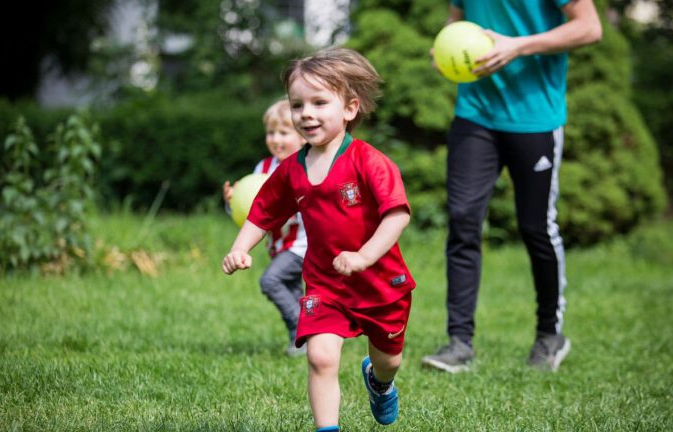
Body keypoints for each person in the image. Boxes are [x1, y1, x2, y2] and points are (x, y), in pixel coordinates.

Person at [222, 47, 416, 431]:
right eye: (298, 105)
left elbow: (397, 215)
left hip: (381, 284)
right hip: (326, 283)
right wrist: (240, 248)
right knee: (321, 358)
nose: (306, 113)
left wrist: (363, 257)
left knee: (388, 360)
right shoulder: (291, 170)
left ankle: (380, 382)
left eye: (319, 102)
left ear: (350, 108)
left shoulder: (369, 161)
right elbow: (262, 211)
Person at [421, 0, 602, 373]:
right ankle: (459, 342)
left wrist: (518, 45)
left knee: (536, 226)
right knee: (462, 219)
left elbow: (589, 27)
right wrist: (444, 51)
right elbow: (456, 21)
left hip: (535, 115)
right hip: (475, 114)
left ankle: (550, 335)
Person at [223, 99, 308, 357]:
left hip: (304, 245)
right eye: (271, 133)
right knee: (292, 293)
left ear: (303, 136)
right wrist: (232, 202)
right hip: (279, 246)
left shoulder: (305, 165)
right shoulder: (262, 168)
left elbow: (298, 208)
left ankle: (307, 334)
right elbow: (252, 208)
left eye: (284, 133)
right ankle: (301, 341)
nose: (275, 139)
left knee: (270, 281)